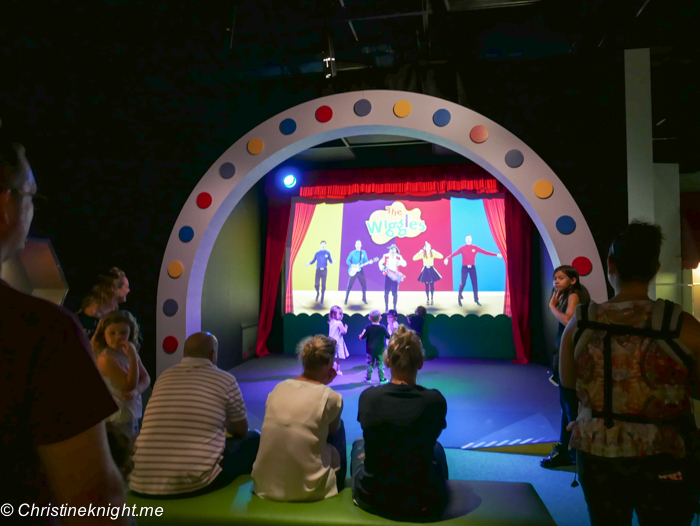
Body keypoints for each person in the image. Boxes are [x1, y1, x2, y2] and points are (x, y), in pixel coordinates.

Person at [0, 137, 129, 524]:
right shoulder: (40, 331)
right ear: (6, 204)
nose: (31, 211)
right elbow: (94, 506)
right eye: (30, 198)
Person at [560, 222, 700, 525]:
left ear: (611, 264)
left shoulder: (580, 323)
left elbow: (568, 387)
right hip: (665, 457)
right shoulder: (682, 325)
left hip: (597, 456)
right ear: (656, 268)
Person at [130, 332, 260, 497]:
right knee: (253, 439)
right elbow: (241, 430)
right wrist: (223, 422)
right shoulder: (225, 379)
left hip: (140, 481)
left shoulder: (164, 377)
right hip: (194, 483)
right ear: (213, 355)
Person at [352, 325, 449, 521]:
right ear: (420, 363)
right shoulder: (435, 401)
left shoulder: (368, 397)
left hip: (372, 497)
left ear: (387, 361)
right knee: (437, 449)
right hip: (423, 501)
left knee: (358, 446)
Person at [252, 335, 346, 501]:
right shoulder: (332, 397)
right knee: (338, 424)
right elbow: (332, 432)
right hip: (311, 489)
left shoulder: (278, 388)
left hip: (264, 485)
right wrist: (325, 386)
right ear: (329, 363)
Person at [541, 265, 590, 469]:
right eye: (554, 278)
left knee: (568, 403)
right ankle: (568, 449)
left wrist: (552, 306)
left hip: (569, 353)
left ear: (573, 280)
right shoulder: (570, 294)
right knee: (567, 403)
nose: (556, 282)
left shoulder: (574, 295)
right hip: (568, 351)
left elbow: (570, 320)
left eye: (560, 278)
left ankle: (572, 452)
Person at [91, 310, 150, 441]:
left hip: (130, 412)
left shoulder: (127, 353)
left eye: (123, 333)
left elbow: (146, 378)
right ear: (104, 334)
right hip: (116, 417)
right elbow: (129, 385)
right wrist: (133, 356)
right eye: (112, 333)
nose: (117, 337)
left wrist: (137, 391)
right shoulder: (106, 358)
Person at [444, 235, 502, 306]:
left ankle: (476, 300)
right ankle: (459, 297)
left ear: (471, 239)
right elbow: (454, 254)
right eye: (467, 238)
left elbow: (485, 252)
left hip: (472, 268)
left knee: (475, 284)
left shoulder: (475, 248)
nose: (468, 240)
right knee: (463, 283)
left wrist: (496, 255)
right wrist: (447, 258)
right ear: (465, 240)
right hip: (464, 268)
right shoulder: (462, 248)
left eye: (469, 238)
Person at [359, 310, 391, 384]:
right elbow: (388, 336)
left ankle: (368, 378)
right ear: (380, 318)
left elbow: (363, 336)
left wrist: (360, 336)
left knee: (369, 364)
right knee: (380, 364)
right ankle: (382, 379)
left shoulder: (368, 327)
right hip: (380, 350)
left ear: (369, 318)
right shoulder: (382, 327)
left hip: (370, 350)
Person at [379, 244, 407, 313]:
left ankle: (394, 307)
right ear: (389, 250)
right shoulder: (385, 256)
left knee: (395, 294)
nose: (392, 250)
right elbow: (380, 263)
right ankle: (386, 307)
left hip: (395, 277)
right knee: (386, 293)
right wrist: (382, 268)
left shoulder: (398, 257)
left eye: (394, 249)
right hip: (388, 276)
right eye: (391, 249)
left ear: (396, 250)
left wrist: (400, 262)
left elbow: (405, 264)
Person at [413, 241, 443, 305]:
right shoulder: (423, 254)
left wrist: (436, 252)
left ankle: (432, 298)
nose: (428, 248)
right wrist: (418, 253)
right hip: (425, 270)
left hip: (431, 270)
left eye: (429, 247)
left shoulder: (433, 254)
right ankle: (427, 299)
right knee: (426, 285)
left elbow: (441, 256)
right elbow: (414, 258)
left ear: (431, 248)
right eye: (427, 247)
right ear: (425, 248)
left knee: (432, 285)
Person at [345, 240, 369, 306]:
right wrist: (351, 264)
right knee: (349, 286)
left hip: (360, 270)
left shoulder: (363, 252)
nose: (358, 245)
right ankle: (346, 299)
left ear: (361, 245)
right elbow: (347, 260)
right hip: (353, 271)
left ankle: (364, 299)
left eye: (359, 244)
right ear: (355, 245)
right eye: (357, 244)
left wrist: (369, 262)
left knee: (364, 285)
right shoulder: (352, 253)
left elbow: (366, 261)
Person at [328, 305, 349, 375]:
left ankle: (333, 370)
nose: (341, 315)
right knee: (337, 359)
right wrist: (346, 328)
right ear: (333, 315)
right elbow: (343, 332)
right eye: (339, 314)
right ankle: (337, 371)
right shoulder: (339, 323)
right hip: (337, 342)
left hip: (331, 341)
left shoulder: (331, 322)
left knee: (333, 358)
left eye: (342, 314)